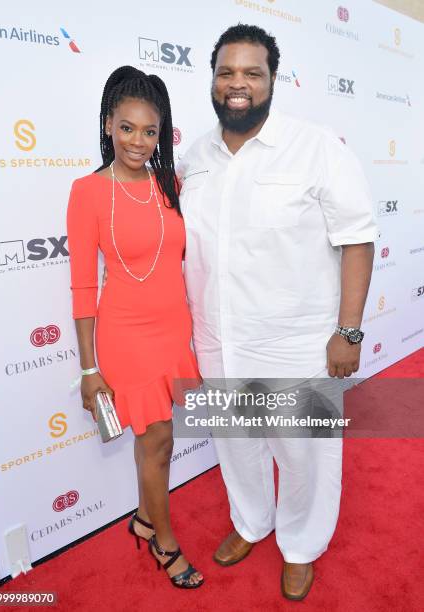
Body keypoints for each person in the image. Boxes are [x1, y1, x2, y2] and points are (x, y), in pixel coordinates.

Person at [178, 24, 376, 600]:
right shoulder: (196, 155)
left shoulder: (316, 148)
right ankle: (251, 522)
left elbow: (357, 239)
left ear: (273, 79)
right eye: (226, 72)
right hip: (220, 340)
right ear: (213, 80)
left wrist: (349, 331)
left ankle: (301, 543)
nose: (237, 84)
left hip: (298, 343)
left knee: (305, 454)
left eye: (252, 73)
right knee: (236, 444)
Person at [67, 66, 204, 589]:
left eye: (150, 131)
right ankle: (163, 541)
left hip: (174, 332)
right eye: (127, 128)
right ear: (107, 125)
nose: (138, 142)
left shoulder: (169, 183)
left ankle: (145, 518)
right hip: (126, 336)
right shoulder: (87, 192)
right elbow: (83, 287)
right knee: (158, 440)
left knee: (161, 442)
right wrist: (88, 367)